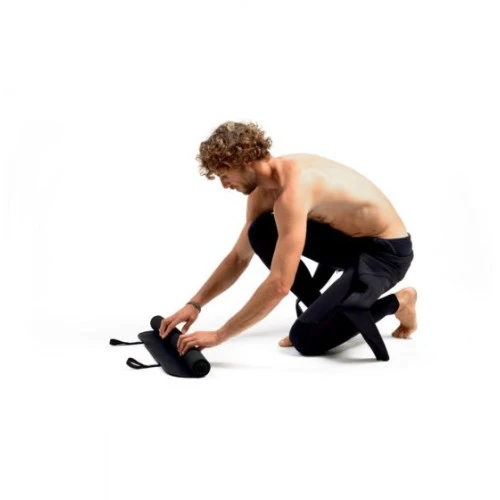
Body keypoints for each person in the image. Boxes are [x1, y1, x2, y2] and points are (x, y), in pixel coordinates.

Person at [159, 121, 417, 360]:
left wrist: (219, 335)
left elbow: (280, 284)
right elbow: (238, 257)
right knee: (260, 231)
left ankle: (400, 302)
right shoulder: (264, 191)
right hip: (349, 242)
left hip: (387, 253)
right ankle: (321, 314)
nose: (224, 185)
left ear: (246, 161)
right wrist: (195, 304)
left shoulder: (294, 190)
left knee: (306, 340)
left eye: (225, 175)